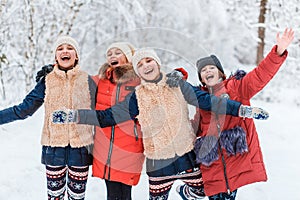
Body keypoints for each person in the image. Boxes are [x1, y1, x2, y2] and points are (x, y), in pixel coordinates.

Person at [52, 48, 269, 200]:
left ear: (157, 63)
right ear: (137, 71)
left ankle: (186, 194)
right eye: (140, 64)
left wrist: (243, 110)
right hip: (159, 165)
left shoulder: (177, 85)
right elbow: (107, 116)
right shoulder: (137, 97)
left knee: (205, 191)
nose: (146, 66)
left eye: (149, 61)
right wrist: (74, 115)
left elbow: (209, 102)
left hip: (186, 157)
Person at [184, 28, 294, 200]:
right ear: (201, 79)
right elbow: (195, 129)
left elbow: (260, 76)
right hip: (212, 166)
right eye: (203, 71)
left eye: (211, 67)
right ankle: (192, 191)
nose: (207, 71)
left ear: (220, 72)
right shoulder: (201, 102)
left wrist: (278, 52)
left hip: (234, 162)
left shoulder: (237, 87)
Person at [0, 35, 97, 200]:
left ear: (77, 55)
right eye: (60, 48)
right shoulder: (47, 81)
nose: (65, 51)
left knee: (77, 197)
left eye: (69, 48)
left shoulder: (88, 81)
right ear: (55, 56)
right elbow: (24, 109)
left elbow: (104, 112)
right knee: (54, 197)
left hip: (81, 149)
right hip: (54, 149)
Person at [92, 42, 145, 200]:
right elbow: (76, 81)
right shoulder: (100, 81)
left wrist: (179, 74)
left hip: (129, 143)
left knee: (124, 191)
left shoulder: (138, 80)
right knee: (112, 191)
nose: (112, 56)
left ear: (128, 58)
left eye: (117, 53)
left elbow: (160, 81)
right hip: (104, 143)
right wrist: (50, 73)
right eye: (109, 54)